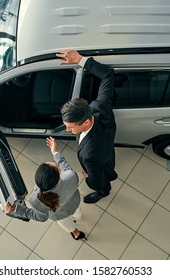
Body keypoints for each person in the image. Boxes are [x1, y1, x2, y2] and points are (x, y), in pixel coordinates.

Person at [57, 49, 118, 204]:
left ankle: (104, 192)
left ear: (85, 122)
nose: (67, 130)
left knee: (102, 183)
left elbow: (96, 179)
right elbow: (107, 76)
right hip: (107, 147)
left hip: (102, 158)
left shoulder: (91, 155)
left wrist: (89, 179)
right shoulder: (100, 106)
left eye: (70, 127)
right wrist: (80, 59)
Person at [5, 137, 86, 240]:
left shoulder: (35, 200)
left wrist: (17, 209)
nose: (54, 163)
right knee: (78, 214)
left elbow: (40, 217)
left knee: (65, 223)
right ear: (59, 180)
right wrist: (55, 152)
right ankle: (77, 219)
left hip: (58, 214)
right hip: (73, 203)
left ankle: (75, 233)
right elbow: (65, 165)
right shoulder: (71, 177)